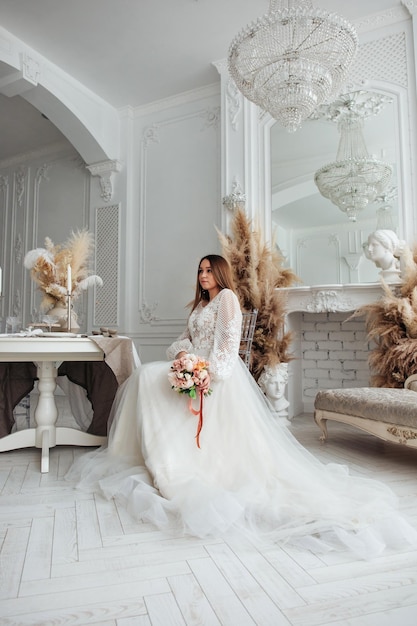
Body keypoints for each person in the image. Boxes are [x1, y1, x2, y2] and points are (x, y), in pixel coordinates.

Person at [67, 254, 417, 557]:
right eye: (200, 271)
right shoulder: (201, 305)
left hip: (219, 375)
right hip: (195, 365)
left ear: (219, 273)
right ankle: (153, 454)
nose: (203, 276)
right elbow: (182, 341)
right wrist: (183, 356)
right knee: (145, 377)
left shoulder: (228, 299)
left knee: (148, 379)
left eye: (208, 270)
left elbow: (227, 346)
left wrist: (205, 373)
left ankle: (179, 459)